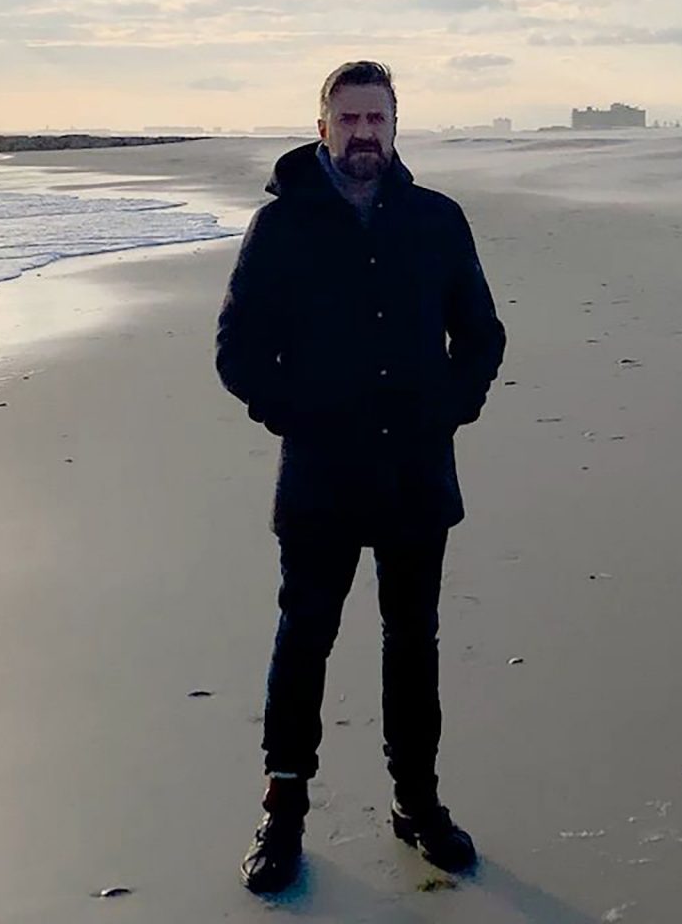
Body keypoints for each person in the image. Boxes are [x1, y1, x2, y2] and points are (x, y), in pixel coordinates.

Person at [215, 60, 509, 894]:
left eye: (376, 118)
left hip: (416, 476)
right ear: (322, 129)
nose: (363, 133)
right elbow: (238, 351)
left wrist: (449, 409)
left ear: (395, 127)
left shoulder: (437, 220)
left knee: (412, 642)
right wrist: (297, 416)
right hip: (321, 480)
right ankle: (283, 813)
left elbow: (481, 335)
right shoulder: (280, 228)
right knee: (304, 639)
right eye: (347, 119)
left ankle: (417, 802)